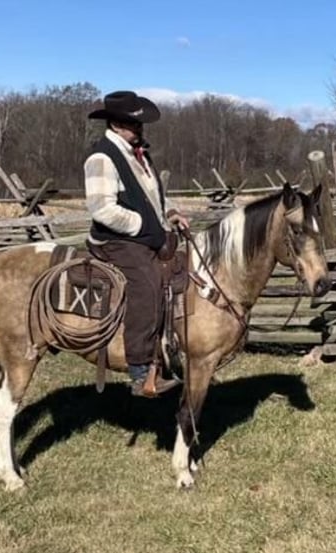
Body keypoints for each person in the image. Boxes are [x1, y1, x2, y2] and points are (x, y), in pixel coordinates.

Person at [84, 90, 190, 398]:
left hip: (143, 234)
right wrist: (145, 226)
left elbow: (151, 196)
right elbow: (102, 210)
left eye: (139, 124)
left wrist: (168, 213)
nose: (140, 129)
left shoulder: (138, 154)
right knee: (146, 282)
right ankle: (141, 369)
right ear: (116, 124)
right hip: (115, 239)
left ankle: (170, 346)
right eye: (134, 124)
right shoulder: (102, 158)